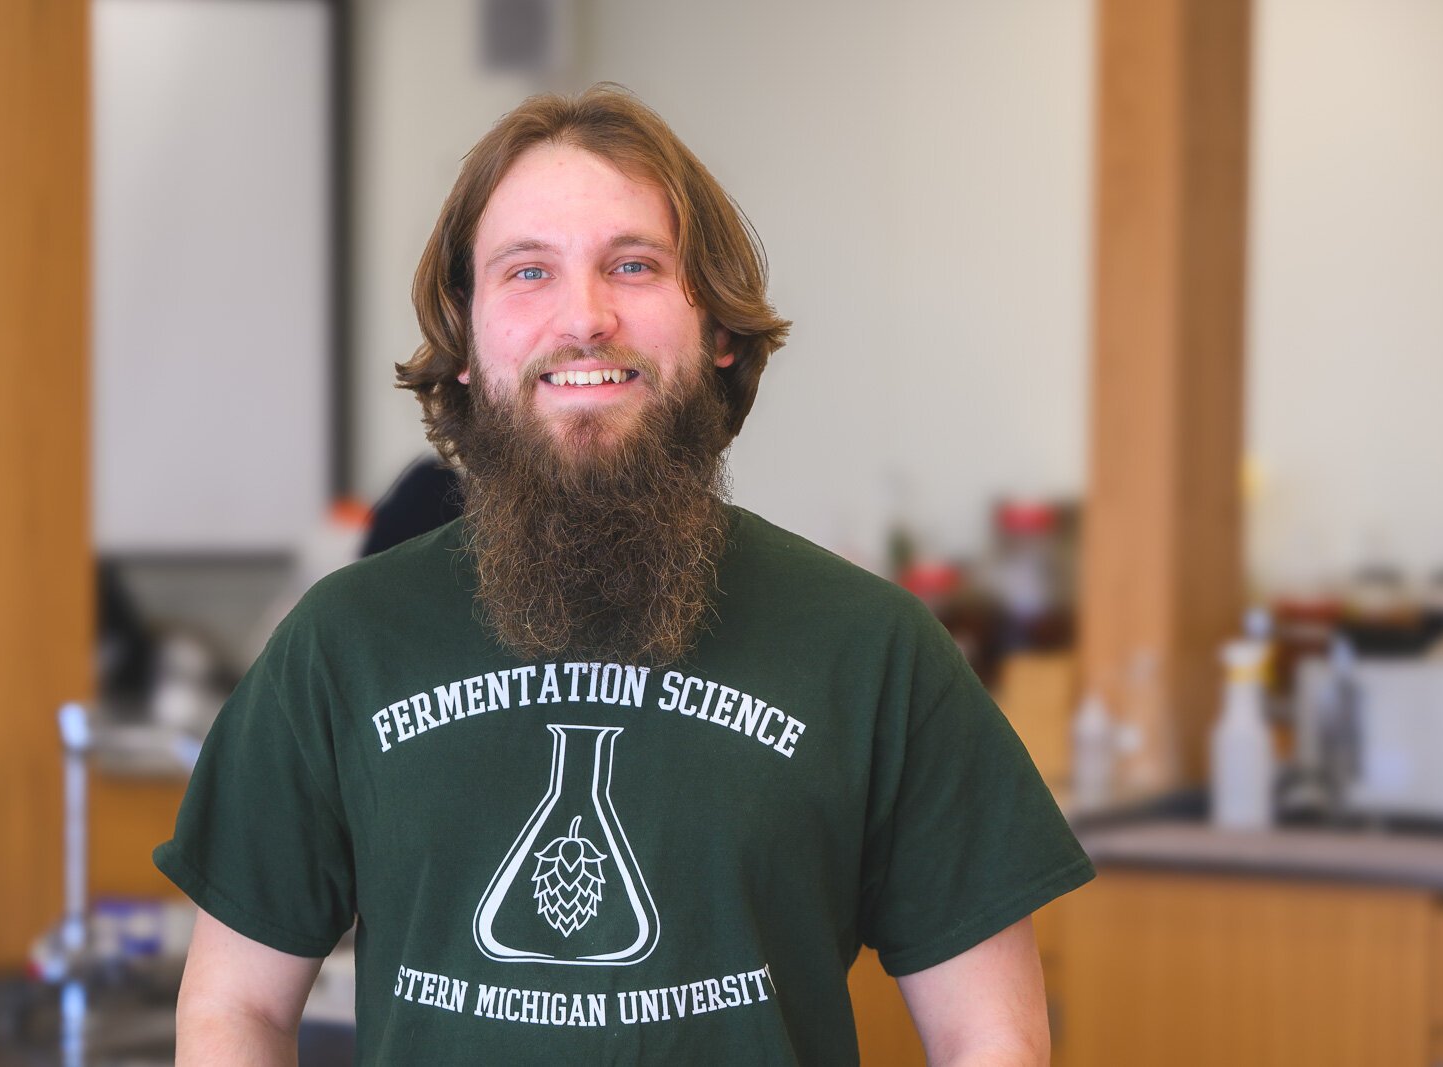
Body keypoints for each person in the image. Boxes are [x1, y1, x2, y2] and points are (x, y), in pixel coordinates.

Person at [156, 85, 1093, 1066]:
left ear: (718, 329)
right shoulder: (342, 641)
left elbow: (992, 1036)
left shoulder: (874, 649)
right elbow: (235, 1011)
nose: (585, 316)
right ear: (470, 345)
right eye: (528, 272)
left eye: (634, 265)